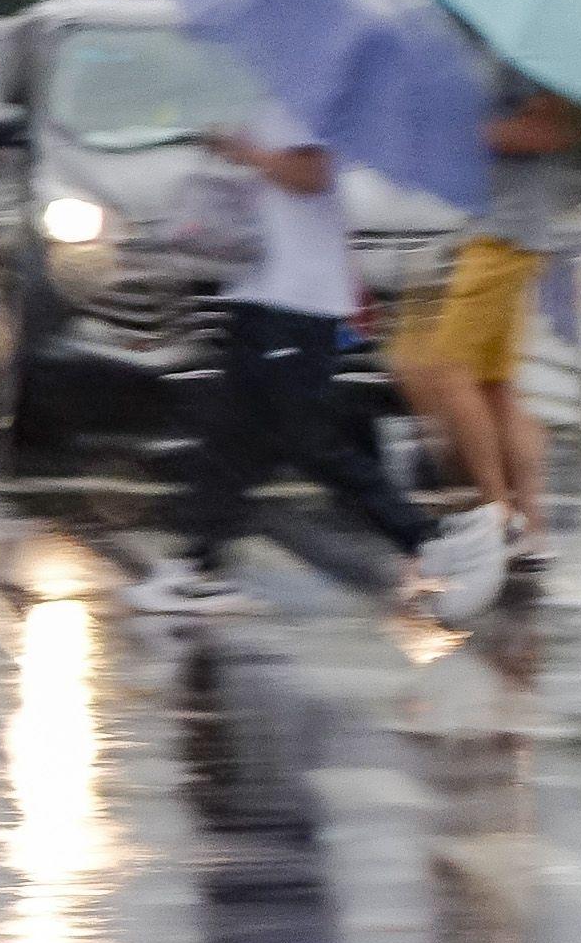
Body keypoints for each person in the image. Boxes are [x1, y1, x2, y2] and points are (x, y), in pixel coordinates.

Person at [128, 99, 499, 621]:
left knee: (308, 437)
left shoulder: (322, 100)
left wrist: (250, 153)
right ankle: (194, 566)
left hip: (297, 303)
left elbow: (314, 173)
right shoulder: (282, 96)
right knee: (233, 436)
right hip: (259, 292)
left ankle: (427, 539)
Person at [395, 81, 581, 568]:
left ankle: (498, 515)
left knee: (448, 372)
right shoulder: (512, 60)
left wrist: (463, 132)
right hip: (499, 239)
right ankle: (528, 527)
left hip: (502, 242)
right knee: (494, 388)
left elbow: (546, 132)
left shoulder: (534, 65)